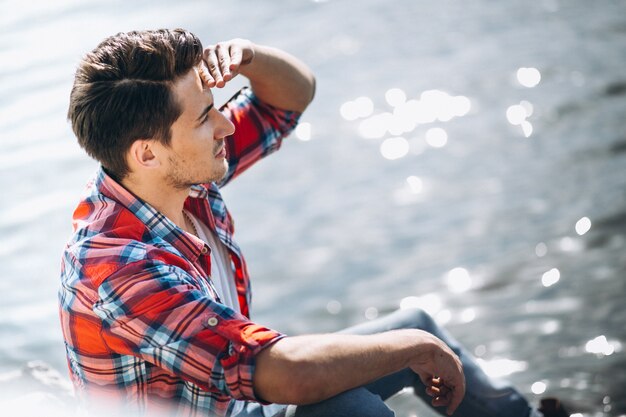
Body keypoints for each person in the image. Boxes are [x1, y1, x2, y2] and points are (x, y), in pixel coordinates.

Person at [59, 29, 566, 417]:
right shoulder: (117, 269)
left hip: (232, 404)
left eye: (215, 108)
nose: (226, 123)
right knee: (358, 404)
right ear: (147, 153)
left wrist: (250, 56)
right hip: (240, 400)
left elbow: (287, 101)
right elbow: (280, 373)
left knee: (417, 325)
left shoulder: (175, 178)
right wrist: (419, 353)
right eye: (203, 118)